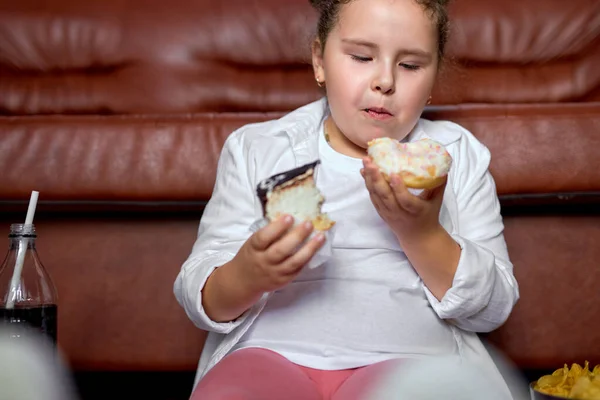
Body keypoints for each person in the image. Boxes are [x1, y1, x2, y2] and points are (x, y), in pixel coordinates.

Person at [173, 0, 520, 398]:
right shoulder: (257, 148)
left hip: (410, 361)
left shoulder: (458, 155)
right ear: (320, 61)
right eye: (360, 56)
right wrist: (249, 273)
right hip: (270, 355)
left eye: (410, 66)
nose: (385, 81)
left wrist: (421, 233)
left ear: (434, 80)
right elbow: (199, 292)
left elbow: (493, 306)